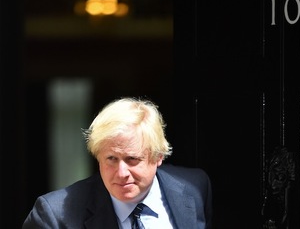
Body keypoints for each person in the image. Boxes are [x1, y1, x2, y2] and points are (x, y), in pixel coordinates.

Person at [22, 97, 213, 229]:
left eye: (132, 159)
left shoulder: (194, 187)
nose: (121, 173)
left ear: (158, 157)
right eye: (111, 159)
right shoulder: (54, 215)